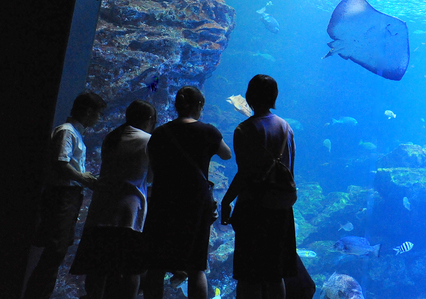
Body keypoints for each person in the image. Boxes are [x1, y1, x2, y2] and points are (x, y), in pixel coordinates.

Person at [141, 86, 232, 299]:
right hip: (195, 203)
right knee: (196, 266)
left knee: (156, 264)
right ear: (199, 106)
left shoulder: (161, 132)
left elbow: (152, 168)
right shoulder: (208, 131)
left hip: (164, 200)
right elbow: (227, 154)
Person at [69, 100, 157, 299]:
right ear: (150, 119)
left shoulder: (111, 137)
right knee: (131, 269)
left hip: (101, 210)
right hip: (129, 214)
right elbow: (151, 177)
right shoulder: (148, 140)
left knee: (98, 268)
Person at [23, 91, 106, 299]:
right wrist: (82, 178)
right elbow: (61, 162)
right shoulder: (67, 132)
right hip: (61, 196)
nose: (98, 119)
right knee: (55, 250)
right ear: (88, 111)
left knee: (57, 250)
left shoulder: (74, 133)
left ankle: (40, 294)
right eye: (98, 114)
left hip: (68, 196)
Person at [221, 75, 297, 299]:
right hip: (282, 208)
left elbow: (244, 172)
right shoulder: (287, 128)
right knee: (276, 275)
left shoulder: (244, 130)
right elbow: (289, 169)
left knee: (249, 274)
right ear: (275, 97)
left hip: (253, 208)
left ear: (249, 97)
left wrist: (227, 201)